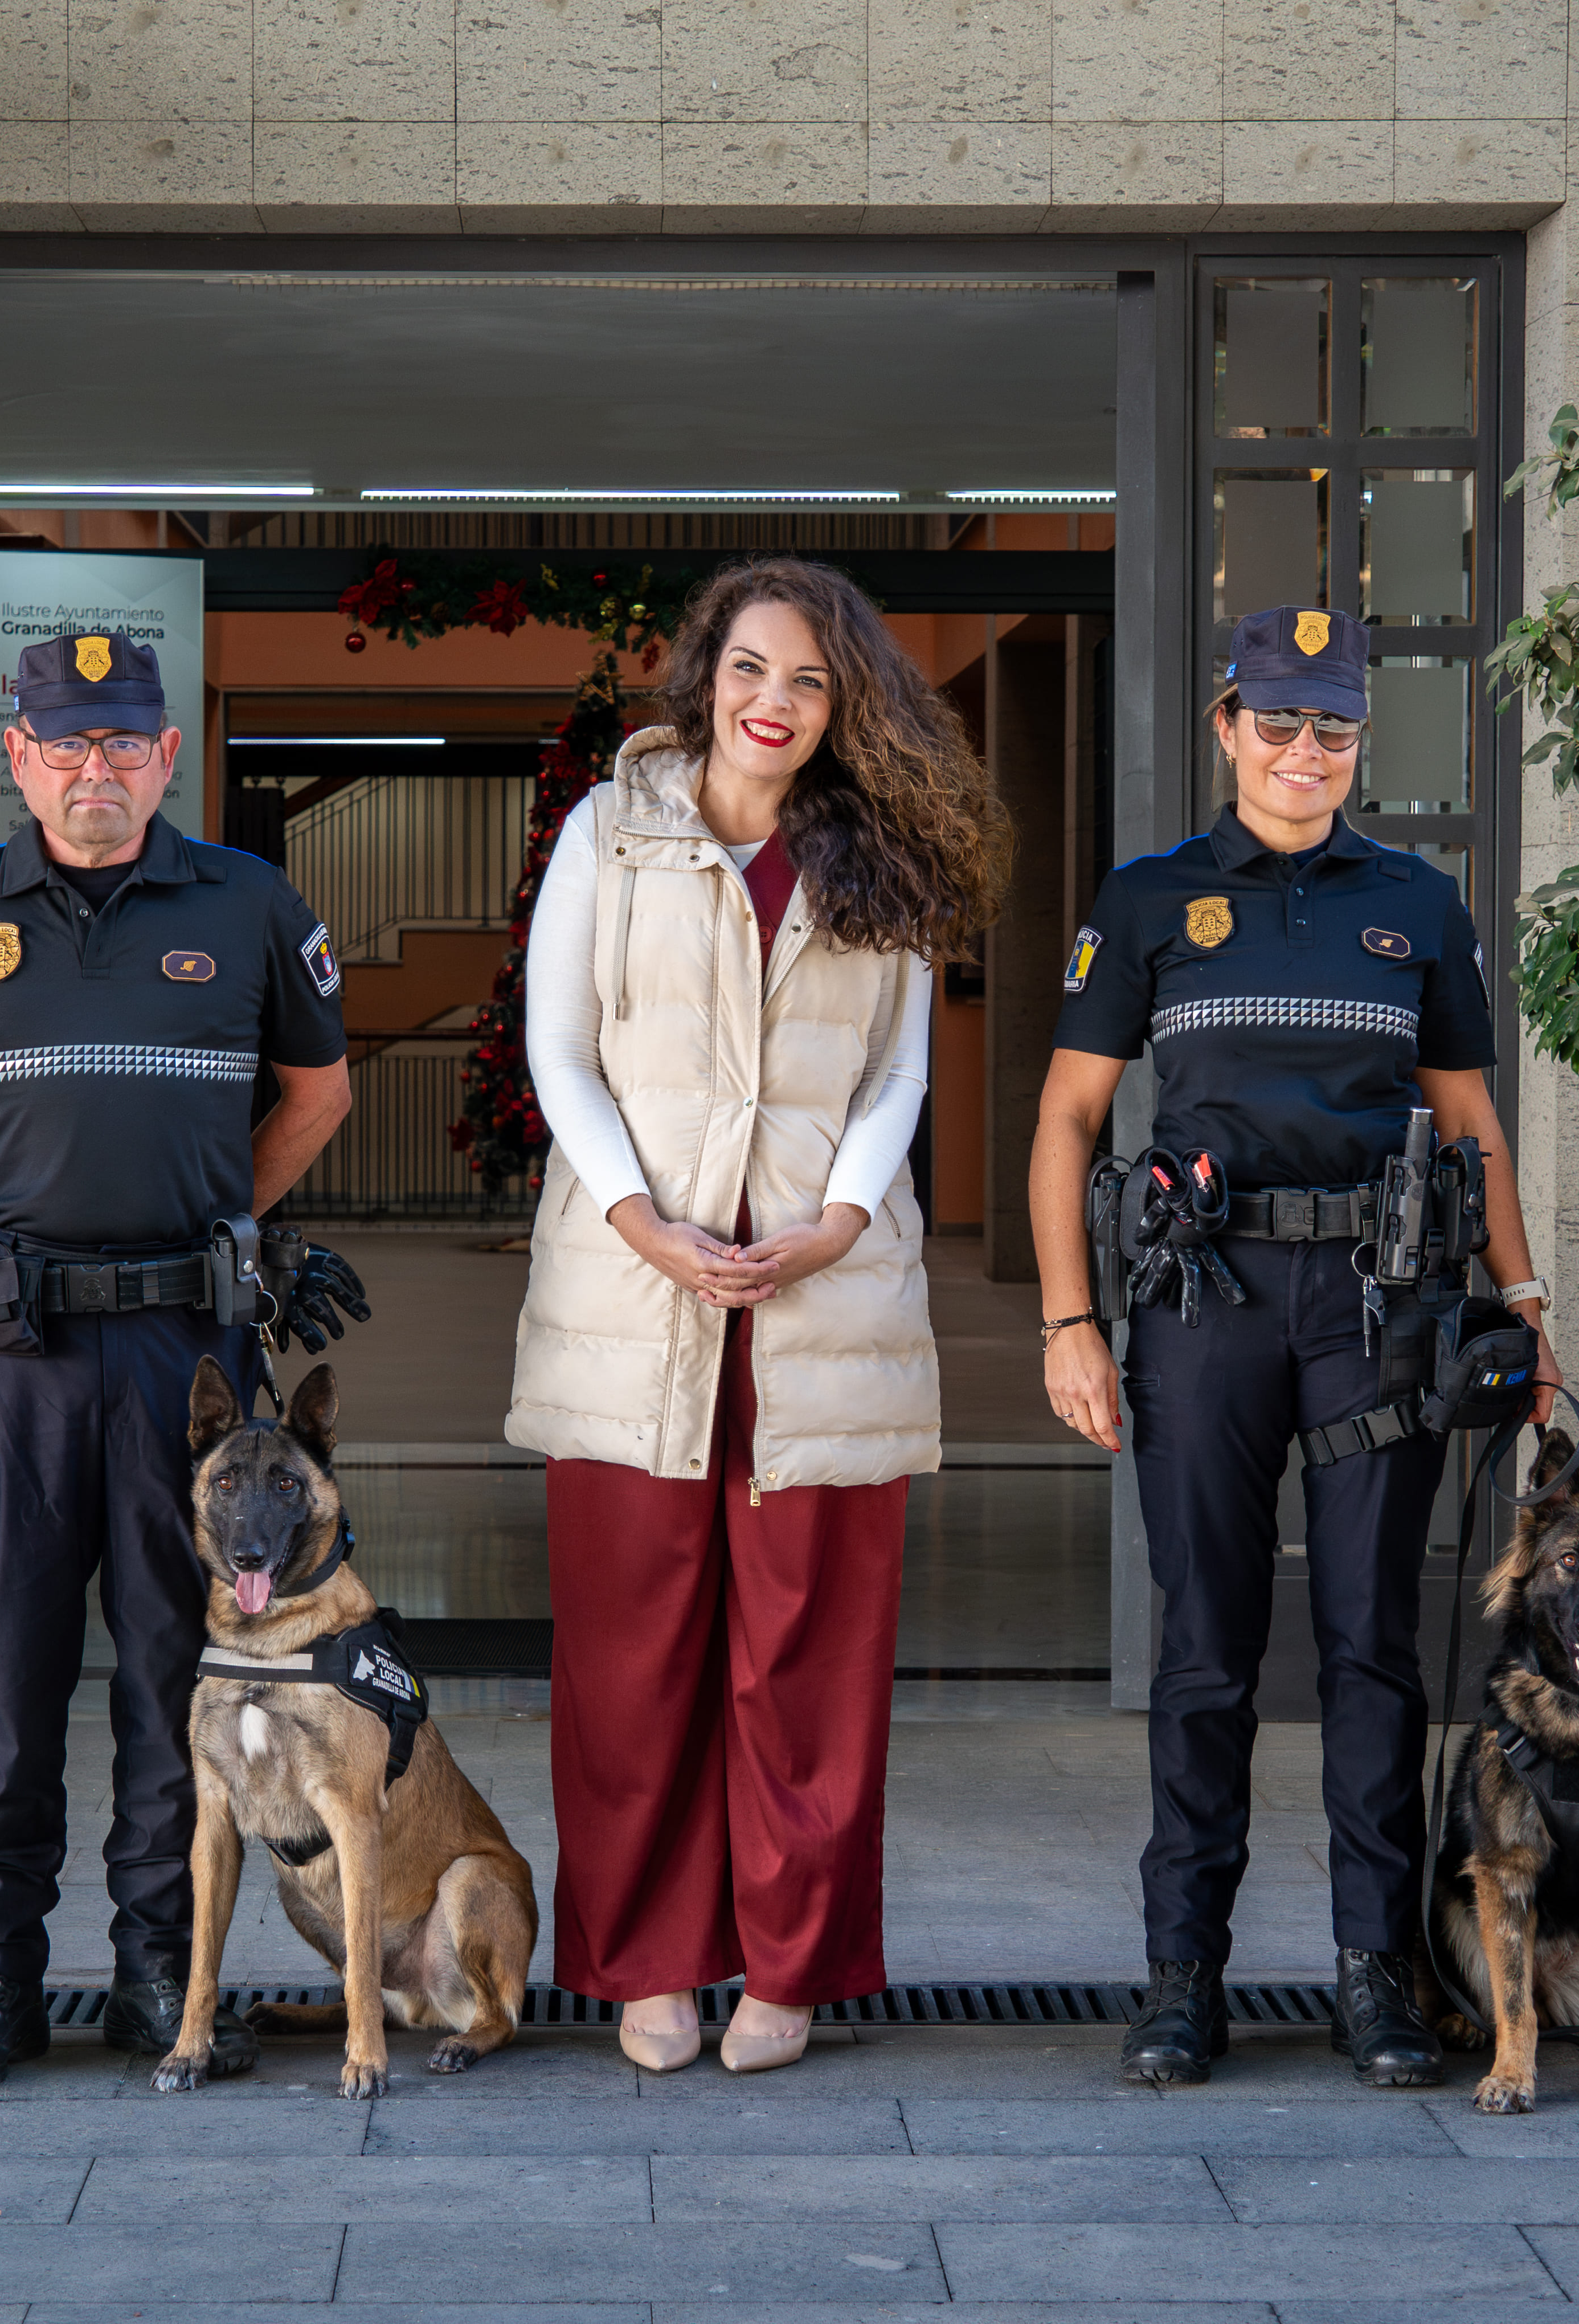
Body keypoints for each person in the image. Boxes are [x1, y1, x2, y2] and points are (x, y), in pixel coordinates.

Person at [1031, 605, 1560, 2089]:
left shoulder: (1416, 904)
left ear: (1356, 742)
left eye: (1332, 726)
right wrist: (1073, 1319)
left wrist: (1520, 1305)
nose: (1304, 750)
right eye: (1278, 721)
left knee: (1373, 1650)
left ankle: (1373, 1977)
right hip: (1203, 1307)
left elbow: (1470, 1123)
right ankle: (1181, 1978)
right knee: (1203, 1651)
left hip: (1379, 1310)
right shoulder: (1147, 902)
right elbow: (1069, 1121)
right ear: (1226, 727)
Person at [508, 558, 1007, 2077]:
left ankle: (788, 1973)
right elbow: (560, 1046)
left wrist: (835, 1224)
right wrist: (645, 1221)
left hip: (824, 1301)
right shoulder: (614, 830)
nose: (773, 703)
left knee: (809, 1658)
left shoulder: (888, 853)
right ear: (704, 678)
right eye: (751, 670)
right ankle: (650, 1965)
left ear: (847, 702)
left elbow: (899, 1078)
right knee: (632, 1656)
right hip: (626, 1297)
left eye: (808, 680)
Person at [0, 631, 354, 2089]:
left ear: (168, 756)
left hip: (191, 1369)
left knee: (176, 1682)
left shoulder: (248, 903)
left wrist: (226, 1224)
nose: (95, 771)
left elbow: (320, 1087)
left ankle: (152, 1981)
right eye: (64, 745)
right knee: (4, 1682)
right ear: (21, 756)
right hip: (12, 1354)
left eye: (124, 744)